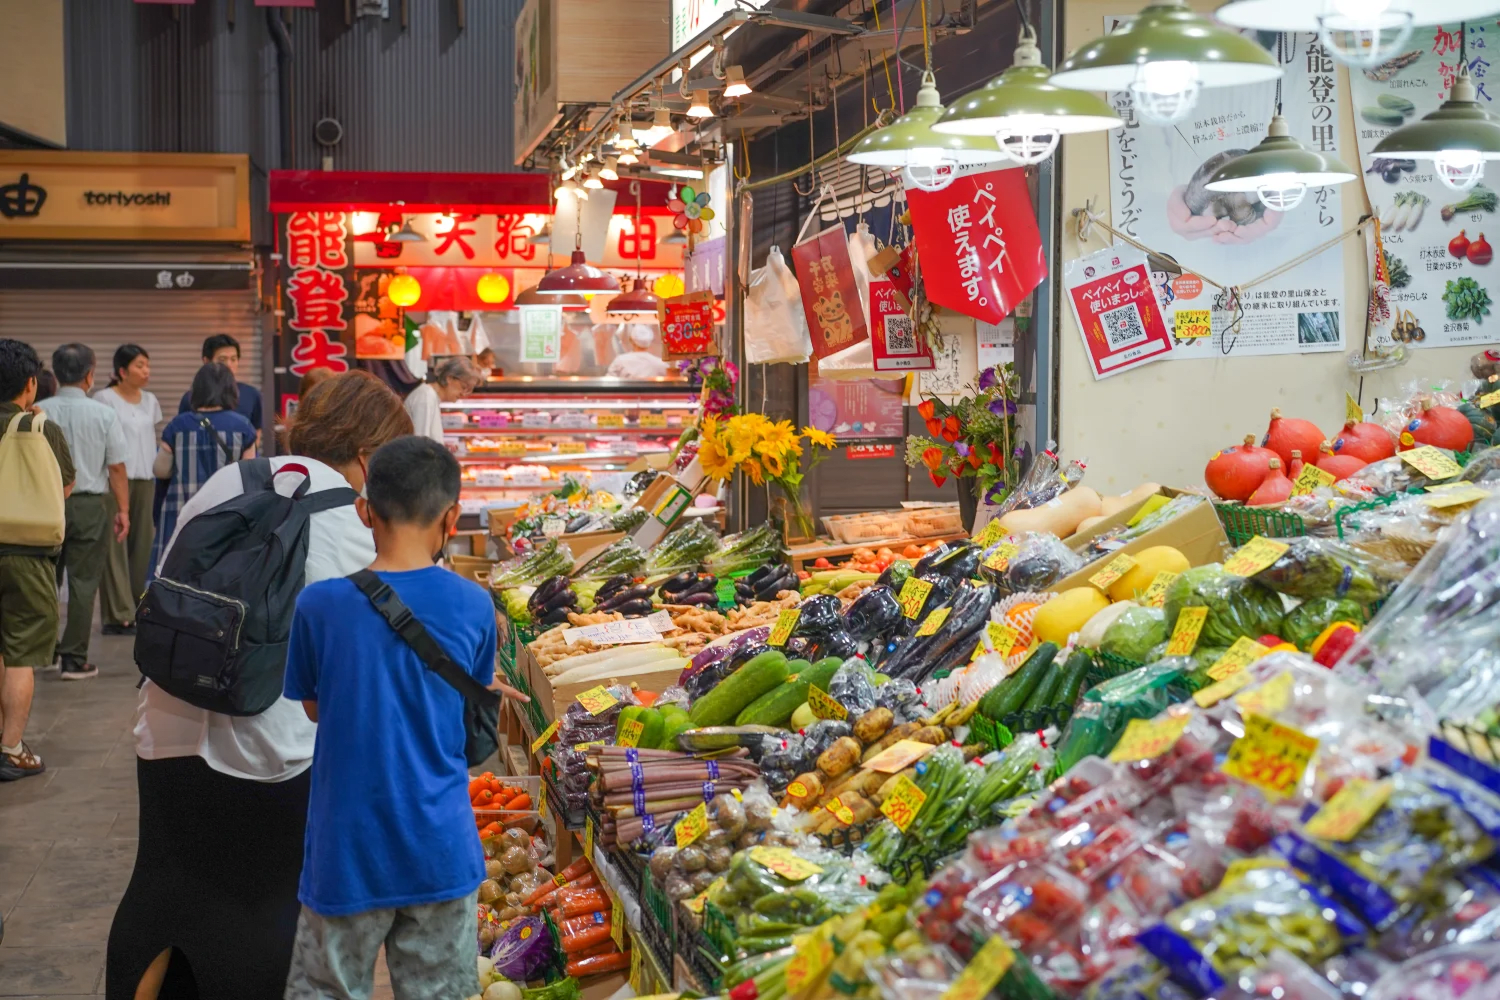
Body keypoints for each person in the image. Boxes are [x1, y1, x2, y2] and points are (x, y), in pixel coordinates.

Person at [108, 371, 415, 1000]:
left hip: (168, 723)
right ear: (367, 455)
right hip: (271, 747)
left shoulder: (228, 481)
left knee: (163, 887)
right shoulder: (356, 522)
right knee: (262, 905)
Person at [281, 436, 518, 1000]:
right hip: (440, 845)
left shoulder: (318, 606)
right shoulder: (474, 604)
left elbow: (315, 708)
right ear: (452, 517)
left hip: (347, 849)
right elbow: (466, 701)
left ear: (365, 511)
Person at [0, 340, 74, 778]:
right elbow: (64, 487)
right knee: (21, 652)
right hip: (27, 555)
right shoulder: (41, 428)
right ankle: (11, 748)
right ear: (31, 383)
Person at [37, 343, 130, 680]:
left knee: (45, 578)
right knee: (84, 581)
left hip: (45, 504)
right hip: (90, 505)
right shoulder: (104, 414)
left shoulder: (37, 411)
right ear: (90, 375)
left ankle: (45, 652)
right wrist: (123, 510)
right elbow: (116, 467)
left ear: (56, 373)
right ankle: (74, 659)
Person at [150, 363, 257, 582]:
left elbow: (160, 470)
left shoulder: (178, 425)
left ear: (197, 390)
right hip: (227, 517)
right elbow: (250, 476)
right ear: (231, 390)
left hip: (183, 515)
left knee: (177, 577)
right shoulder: (243, 427)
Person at [94, 345, 162, 635]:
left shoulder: (151, 401)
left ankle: (137, 608)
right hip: (115, 479)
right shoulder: (104, 399)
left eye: (147, 364)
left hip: (145, 479)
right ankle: (117, 615)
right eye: (139, 365)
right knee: (115, 547)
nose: (146, 371)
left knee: (143, 545)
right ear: (122, 371)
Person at [175, 334, 263, 440]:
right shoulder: (191, 397)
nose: (229, 365)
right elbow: (182, 431)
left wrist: (250, 450)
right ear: (206, 361)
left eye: (233, 359)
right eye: (222, 360)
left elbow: (256, 431)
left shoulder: (251, 395)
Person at [403, 355, 481, 445]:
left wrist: (441, 447)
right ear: (449, 378)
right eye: (463, 387)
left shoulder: (430, 396)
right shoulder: (425, 397)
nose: (463, 394)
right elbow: (419, 443)